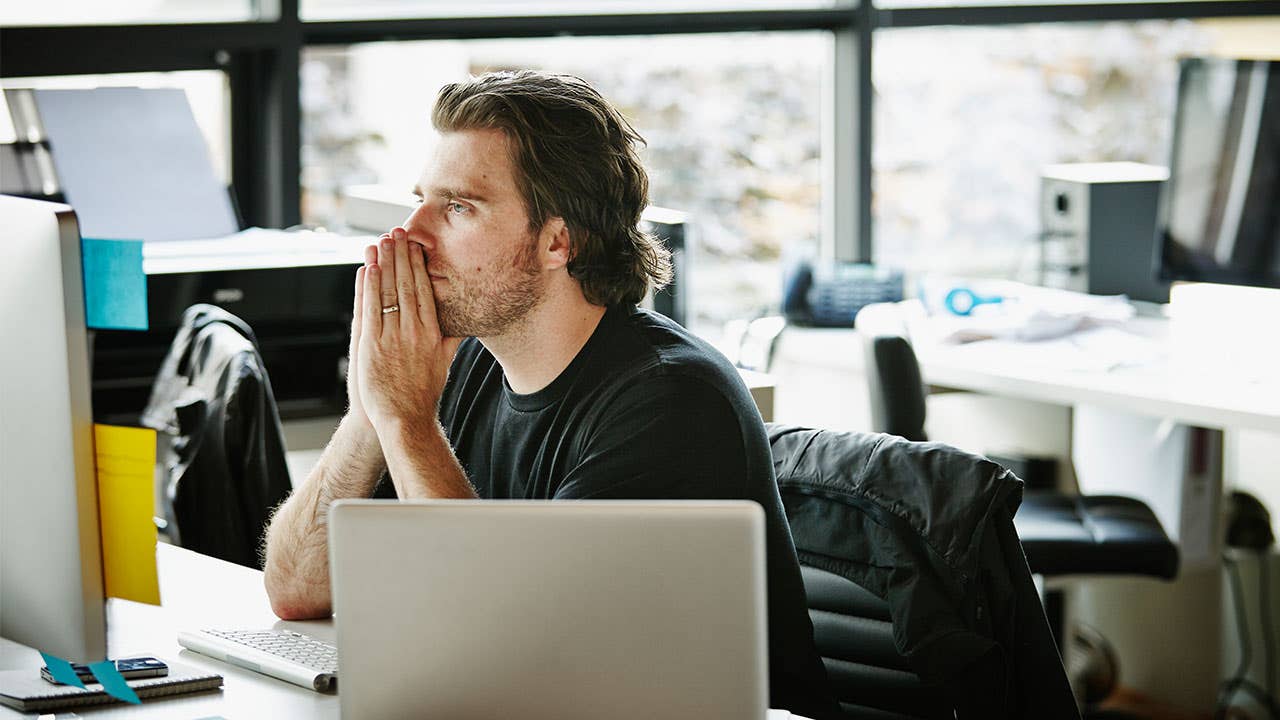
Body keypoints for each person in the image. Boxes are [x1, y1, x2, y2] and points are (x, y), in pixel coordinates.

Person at [262, 70, 836, 718]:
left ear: (558, 241)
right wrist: (370, 409)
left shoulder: (672, 402)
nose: (408, 234)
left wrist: (406, 419)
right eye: (420, 200)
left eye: (458, 207)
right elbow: (297, 590)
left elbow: (512, 663)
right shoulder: (464, 362)